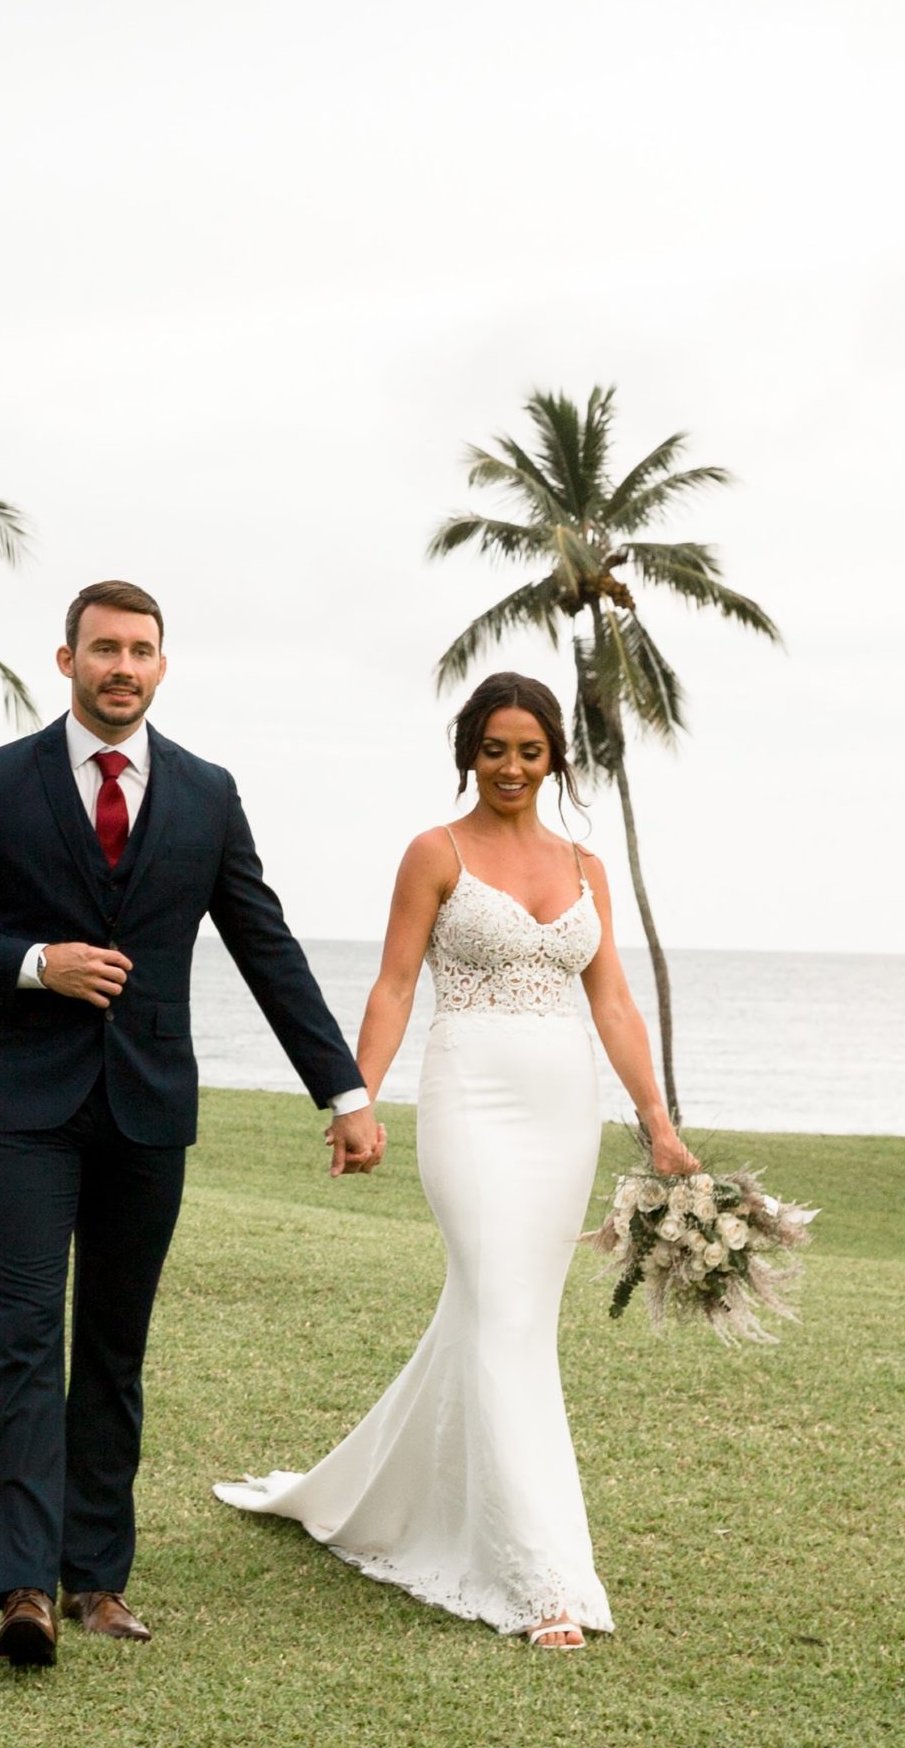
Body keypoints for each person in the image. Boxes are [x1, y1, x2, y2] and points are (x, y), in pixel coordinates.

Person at [0, 578, 384, 1666]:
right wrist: (30, 964)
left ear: (161, 667)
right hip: (22, 1107)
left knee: (114, 1348)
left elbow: (265, 946)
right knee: (25, 1338)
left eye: (140, 650)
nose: (122, 666)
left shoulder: (205, 794)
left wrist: (341, 1090)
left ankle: (96, 1579)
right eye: (102, 648)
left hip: (147, 1110)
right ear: (63, 660)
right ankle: (20, 1586)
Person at [215, 670, 697, 1651]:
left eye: (529, 750)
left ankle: (383, 1495)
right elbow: (394, 985)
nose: (511, 767)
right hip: (468, 1096)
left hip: (561, 1104)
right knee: (498, 1307)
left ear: (554, 753)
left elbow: (609, 1000)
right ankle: (540, 1578)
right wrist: (357, 1099)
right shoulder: (432, 853)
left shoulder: (586, 866)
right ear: (466, 753)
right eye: (492, 749)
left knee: (508, 1319)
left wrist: (657, 1119)